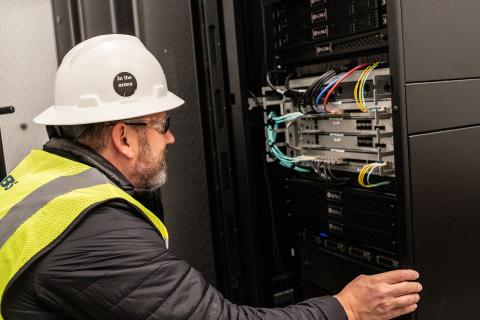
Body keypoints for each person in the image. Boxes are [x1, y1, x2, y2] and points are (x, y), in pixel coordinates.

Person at [0, 34, 422, 320]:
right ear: (124, 137)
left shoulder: (44, 175)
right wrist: (345, 307)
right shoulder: (96, 233)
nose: (172, 138)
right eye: (162, 125)